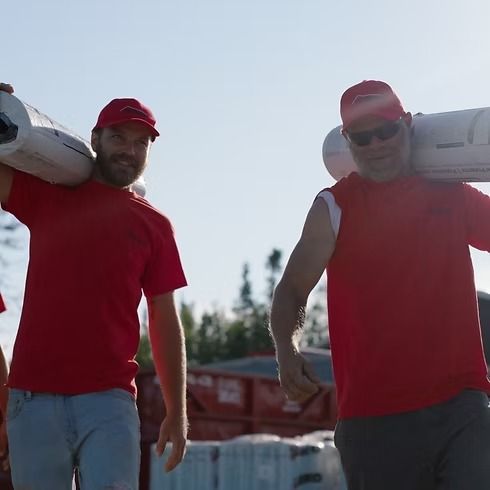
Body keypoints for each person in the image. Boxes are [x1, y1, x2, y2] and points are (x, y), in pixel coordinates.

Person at [270, 80, 490, 490]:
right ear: (348, 141)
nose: (376, 145)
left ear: (407, 124)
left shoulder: (453, 196)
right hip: (374, 418)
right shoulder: (333, 207)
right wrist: (287, 347)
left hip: (461, 406)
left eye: (386, 130)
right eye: (362, 137)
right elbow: (292, 289)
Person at [0, 82, 188, 489]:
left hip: (108, 400)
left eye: (141, 143)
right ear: (95, 139)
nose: (129, 150)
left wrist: (177, 409)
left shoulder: (154, 226)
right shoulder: (48, 197)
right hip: (32, 399)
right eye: (119, 137)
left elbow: (164, 318)